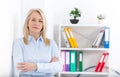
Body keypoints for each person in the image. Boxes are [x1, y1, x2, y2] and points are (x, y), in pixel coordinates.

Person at [12, 8, 62, 77]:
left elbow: (58, 67)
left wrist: (35, 66)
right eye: (33, 20)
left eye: (40, 21)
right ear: (27, 23)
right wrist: (49, 66)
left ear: (43, 25)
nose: (36, 23)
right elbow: (19, 68)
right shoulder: (18, 43)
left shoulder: (51, 43)